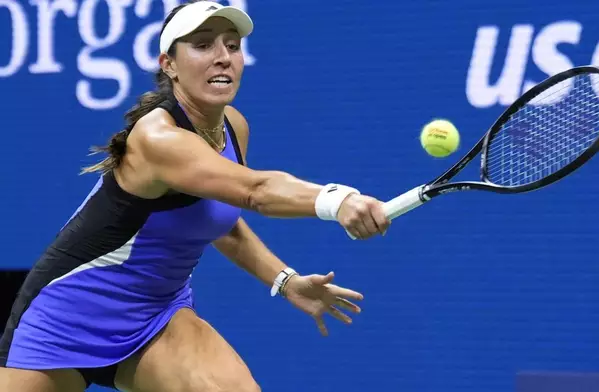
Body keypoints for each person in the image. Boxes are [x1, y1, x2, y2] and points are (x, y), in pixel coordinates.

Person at [0, 1, 390, 391]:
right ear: (168, 64)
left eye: (232, 46)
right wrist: (337, 200)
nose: (223, 57)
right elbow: (254, 191)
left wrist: (285, 281)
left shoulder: (233, 126)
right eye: (203, 46)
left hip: (156, 316)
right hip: (67, 317)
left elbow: (216, 217)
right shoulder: (157, 138)